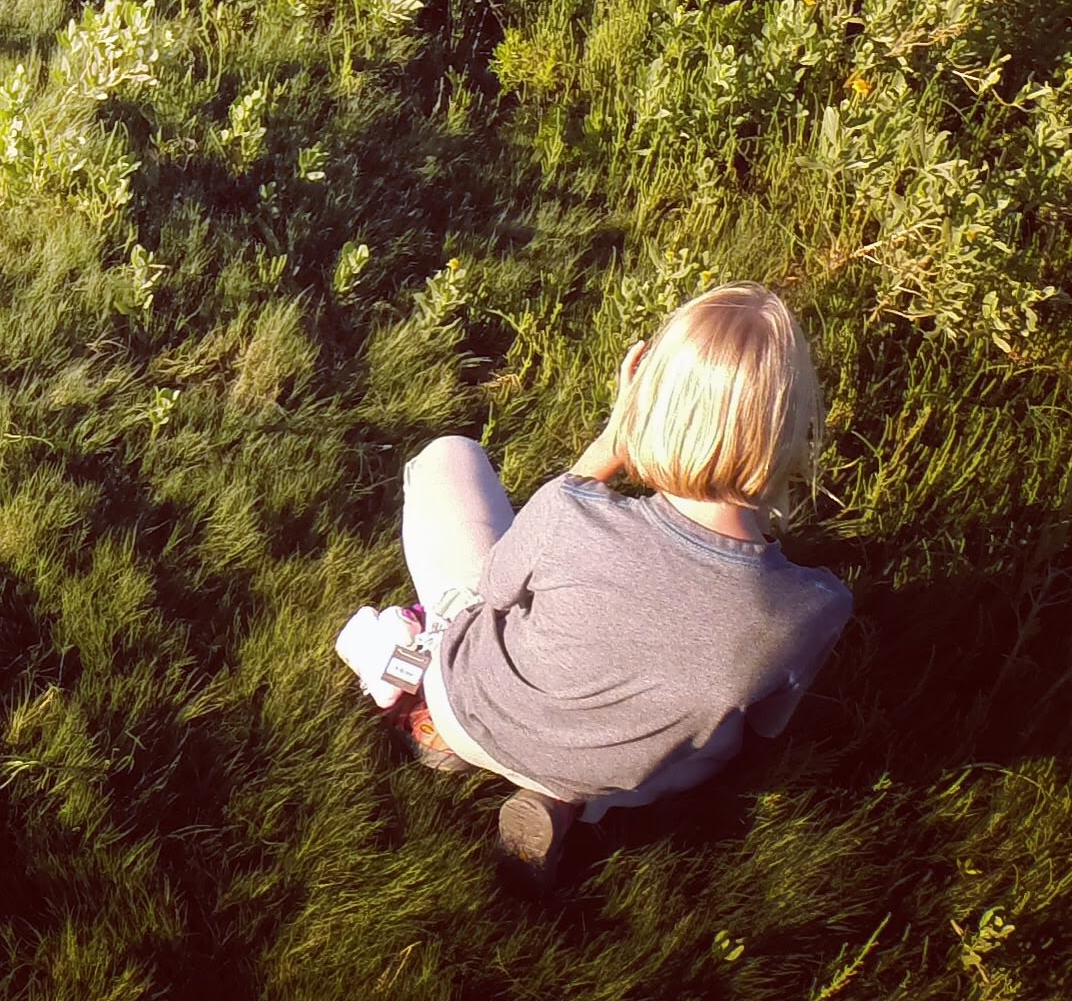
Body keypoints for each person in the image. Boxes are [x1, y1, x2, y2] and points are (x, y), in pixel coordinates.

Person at [335, 283, 853, 872]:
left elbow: (495, 588)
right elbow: (766, 728)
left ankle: (438, 730)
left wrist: (605, 450)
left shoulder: (573, 512)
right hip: (620, 778)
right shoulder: (813, 606)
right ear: (789, 430)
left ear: (649, 406)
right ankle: (560, 801)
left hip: (471, 710)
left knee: (449, 456)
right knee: (720, 737)